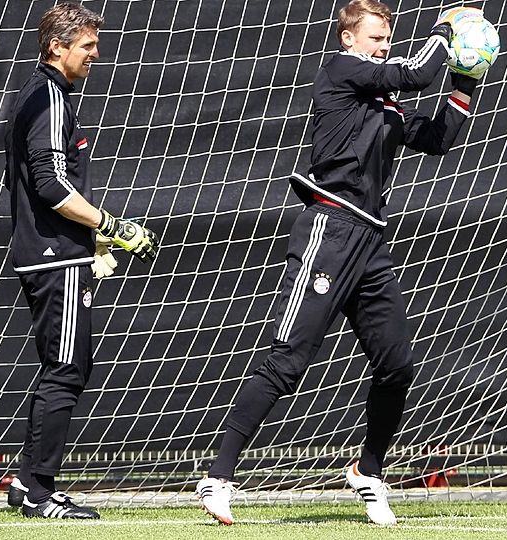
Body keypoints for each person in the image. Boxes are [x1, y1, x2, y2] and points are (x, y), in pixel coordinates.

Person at [196, 0, 484, 526]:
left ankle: (368, 471)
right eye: (375, 37)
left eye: (387, 38)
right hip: (328, 228)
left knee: (397, 364)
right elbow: (416, 72)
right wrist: (447, 30)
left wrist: (467, 79)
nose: (383, 46)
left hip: (369, 242)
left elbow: (438, 138)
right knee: (288, 361)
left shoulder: (383, 98)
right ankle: (217, 477)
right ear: (350, 39)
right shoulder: (341, 70)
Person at [2, 2, 159, 519]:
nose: (96, 53)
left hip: (55, 251)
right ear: (57, 47)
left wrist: (92, 240)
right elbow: (50, 184)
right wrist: (110, 228)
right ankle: (39, 493)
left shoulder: (47, 93)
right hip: (54, 256)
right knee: (67, 370)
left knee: (60, 368)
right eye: (87, 45)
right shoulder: (47, 95)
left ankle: (29, 484)